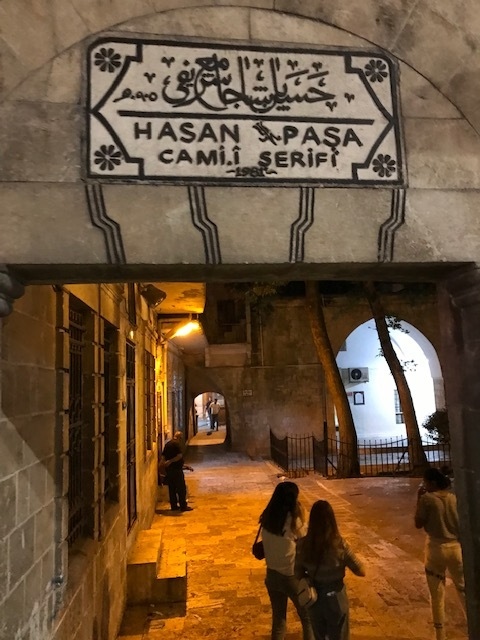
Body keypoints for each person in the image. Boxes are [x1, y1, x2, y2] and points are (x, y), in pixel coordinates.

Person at [295, 500, 365, 640]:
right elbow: (360, 571)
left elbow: (297, 573)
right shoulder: (340, 545)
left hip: (315, 599)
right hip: (336, 599)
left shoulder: (302, 545)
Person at [415, 467, 466, 640]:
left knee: (436, 595)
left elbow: (418, 523)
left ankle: (440, 634)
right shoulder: (454, 497)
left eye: (425, 482)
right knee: (463, 590)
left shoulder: (427, 499)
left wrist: (419, 498)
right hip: (456, 548)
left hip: (435, 548)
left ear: (432, 482)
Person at [259, 481, 314, 640]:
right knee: (307, 618)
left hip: (272, 575)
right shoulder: (294, 521)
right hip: (291, 576)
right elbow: (305, 541)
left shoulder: (267, 518)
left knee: (279, 620)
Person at [161, 431, 193, 512]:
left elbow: (163, 457)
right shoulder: (177, 444)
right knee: (181, 488)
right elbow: (179, 456)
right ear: (180, 438)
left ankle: (174, 506)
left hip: (169, 470)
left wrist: (165, 465)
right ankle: (183, 506)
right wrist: (171, 461)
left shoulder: (167, 444)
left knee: (172, 489)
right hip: (177, 470)